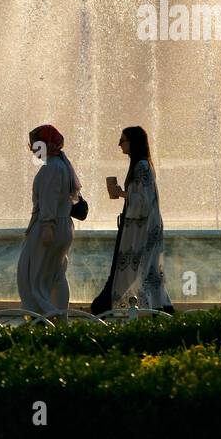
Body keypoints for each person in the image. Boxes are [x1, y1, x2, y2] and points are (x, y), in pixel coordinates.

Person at [91, 125, 173, 316]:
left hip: (141, 230)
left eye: (123, 140)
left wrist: (121, 193)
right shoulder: (143, 165)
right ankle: (157, 308)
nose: (119, 144)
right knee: (149, 269)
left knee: (141, 268)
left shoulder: (141, 166)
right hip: (144, 227)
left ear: (133, 143)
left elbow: (142, 202)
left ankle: (144, 309)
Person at [17, 124, 82, 320]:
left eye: (35, 144)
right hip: (63, 226)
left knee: (31, 277)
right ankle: (61, 318)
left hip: (49, 227)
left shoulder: (51, 168)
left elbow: (49, 199)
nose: (32, 149)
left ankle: (43, 317)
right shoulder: (62, 165)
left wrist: (46, 226)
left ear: (46, 144)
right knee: (56, 276)